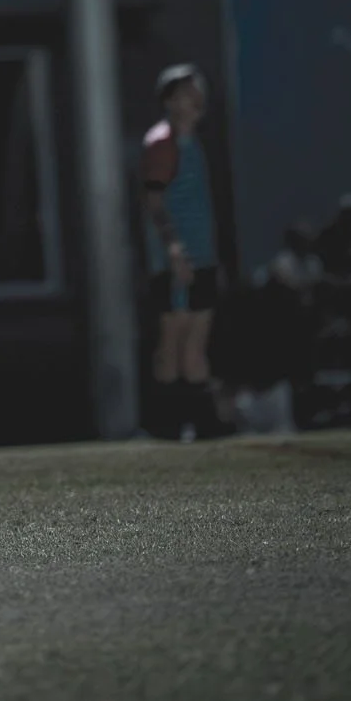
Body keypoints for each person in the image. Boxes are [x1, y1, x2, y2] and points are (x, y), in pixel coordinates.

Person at [140, 63, 227, 440]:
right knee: (172, 341)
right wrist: (174, 250)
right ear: (171, 100)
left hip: (202, 256)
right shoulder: (163, 142)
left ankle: (202, 423)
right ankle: (164, 424)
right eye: (187, 94)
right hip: (176, 259)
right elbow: (154, 201)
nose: (195, 100)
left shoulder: (195, 143)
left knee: (196, 342)